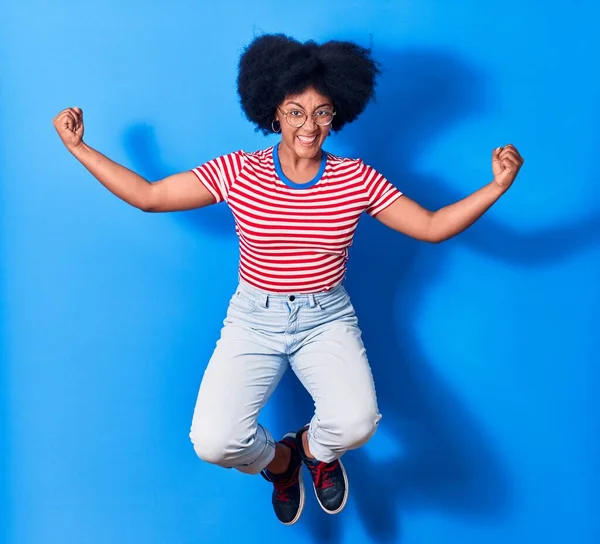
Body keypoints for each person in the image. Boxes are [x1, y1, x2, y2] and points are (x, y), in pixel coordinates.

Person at [53, 33, 524, 526]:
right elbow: (150, 195)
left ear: (336, 114)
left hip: (326, 317)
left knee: (357, 423)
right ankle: (281, 463)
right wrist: (79, 147)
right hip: (254, 319)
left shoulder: (356, 178)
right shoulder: (238, 171)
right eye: (295, 111)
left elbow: (430, 227)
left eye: (321, 112)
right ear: (274, 112)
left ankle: (314, 449)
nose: (308, 124)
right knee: (214, 441)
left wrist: (495, 187)